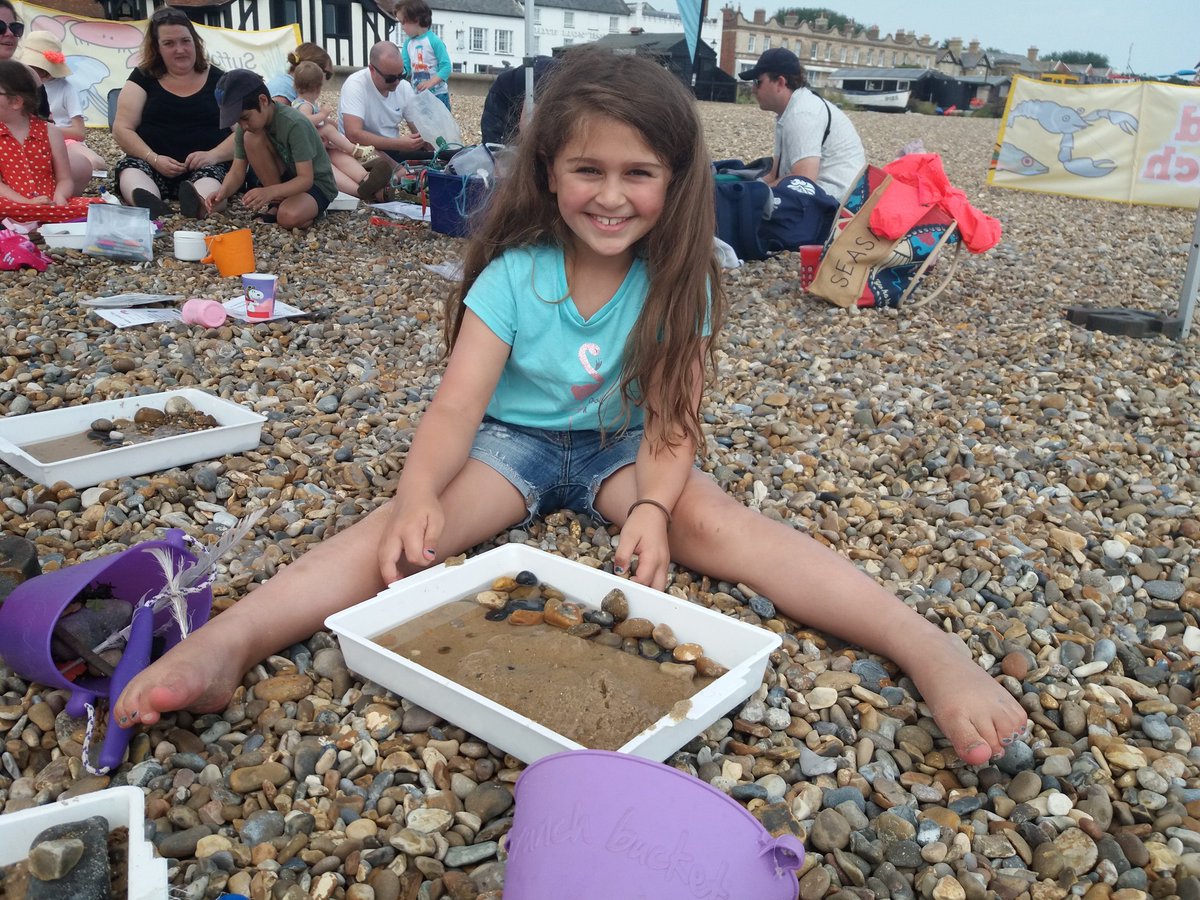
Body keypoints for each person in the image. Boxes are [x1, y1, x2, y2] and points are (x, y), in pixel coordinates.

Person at [113, 46, 1028, 769]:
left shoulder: (684, 281)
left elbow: (674, 422)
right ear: (549, 172)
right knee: (398, 530)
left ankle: (922, 645)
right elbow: (455, 408)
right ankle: (232, 641)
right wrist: (423, 491)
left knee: (726, 526)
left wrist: (659, 513)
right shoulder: (513, 276)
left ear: (673, 181)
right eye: (589, 169)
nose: (612, 194)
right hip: (510, 448)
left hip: (623, 449)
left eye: (639, 173)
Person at [111, 6, 234, 220]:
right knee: (130, 169)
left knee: (214, 179)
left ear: (195, 42)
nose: (180, 49)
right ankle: (148, 202)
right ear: (157, 48)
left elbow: (245, 131)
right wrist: (154, 158)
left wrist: (212, 155)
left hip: (208, 165)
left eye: (185, 41)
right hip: (152, 164)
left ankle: (199, 203)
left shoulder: (219, 80)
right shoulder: (142, 78)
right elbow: (122, 128)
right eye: (169, 43)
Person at [204, 69, 336, 229]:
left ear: (263, 100)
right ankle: (278, 203)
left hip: (316, 183)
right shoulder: (246, 128)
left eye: (245, 118)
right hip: (285, 181)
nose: (243, 125)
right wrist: (222, 193)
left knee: (287, 218)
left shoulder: (294, 123)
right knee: (250, 137)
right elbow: (237, 171)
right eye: (238, 121)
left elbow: (305, 179)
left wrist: (269, 192)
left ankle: (308, 209)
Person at [739, 47, 865, 201]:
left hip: (837, 205)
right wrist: (746, 189)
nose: (753, 89)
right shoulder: (789, 112)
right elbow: (775, 174)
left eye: (757, 82)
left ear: (780, 82)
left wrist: (750, 196)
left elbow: (803, 180)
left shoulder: (803, 114)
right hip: (823, 194)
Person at [0, 59, 95, 222]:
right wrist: (26, 202)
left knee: (98, 206)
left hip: (49, 201)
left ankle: (44, 216)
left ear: (16, 102)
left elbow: (64, 178)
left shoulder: (50, 132)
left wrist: (60, 197)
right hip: (12, 203)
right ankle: (40, 217)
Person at [14, 31, 106, 195]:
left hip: (64, 139)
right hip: (29, 138)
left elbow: (79, 132)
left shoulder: (65, 88)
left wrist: (48, 129)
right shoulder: (18, 86)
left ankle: (61, 189)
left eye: (36, 67)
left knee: (95, 162)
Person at [291, 60, 376, 196]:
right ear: (317, 88)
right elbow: (304, 121)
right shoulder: (304, 105)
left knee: (335, 147)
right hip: (308, 148)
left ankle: (366, 180)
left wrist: (327, 121)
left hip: (315, 144)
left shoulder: (303, 103)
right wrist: (323, 114)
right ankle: (354, 152)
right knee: (327, 160)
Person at [338, 41, 429, 166]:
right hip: (359, 151)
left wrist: (431, 143)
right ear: (372, 70)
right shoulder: (355, 85)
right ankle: (396, 173)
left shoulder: (404, 87)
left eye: (402, 75)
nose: (397, 81)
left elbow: (418, 128)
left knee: (439, 160)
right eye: (390, 78)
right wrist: (398, 143)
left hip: (392, 148)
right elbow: (353, 134)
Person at [480, 55, 556, 146]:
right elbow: (527, 126)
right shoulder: (548, 76)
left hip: (527, 94)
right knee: (496, 150)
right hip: (503, 97)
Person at [396, 0, 451, 111]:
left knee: (441, 127)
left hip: (438, 95)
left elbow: (446, 67)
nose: (401, 27)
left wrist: (431, 83)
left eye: (403, 22)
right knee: (422, 126)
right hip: (418, 96)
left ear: (415, 20)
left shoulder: (434, 41)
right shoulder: (407, 44)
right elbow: (405, 68)